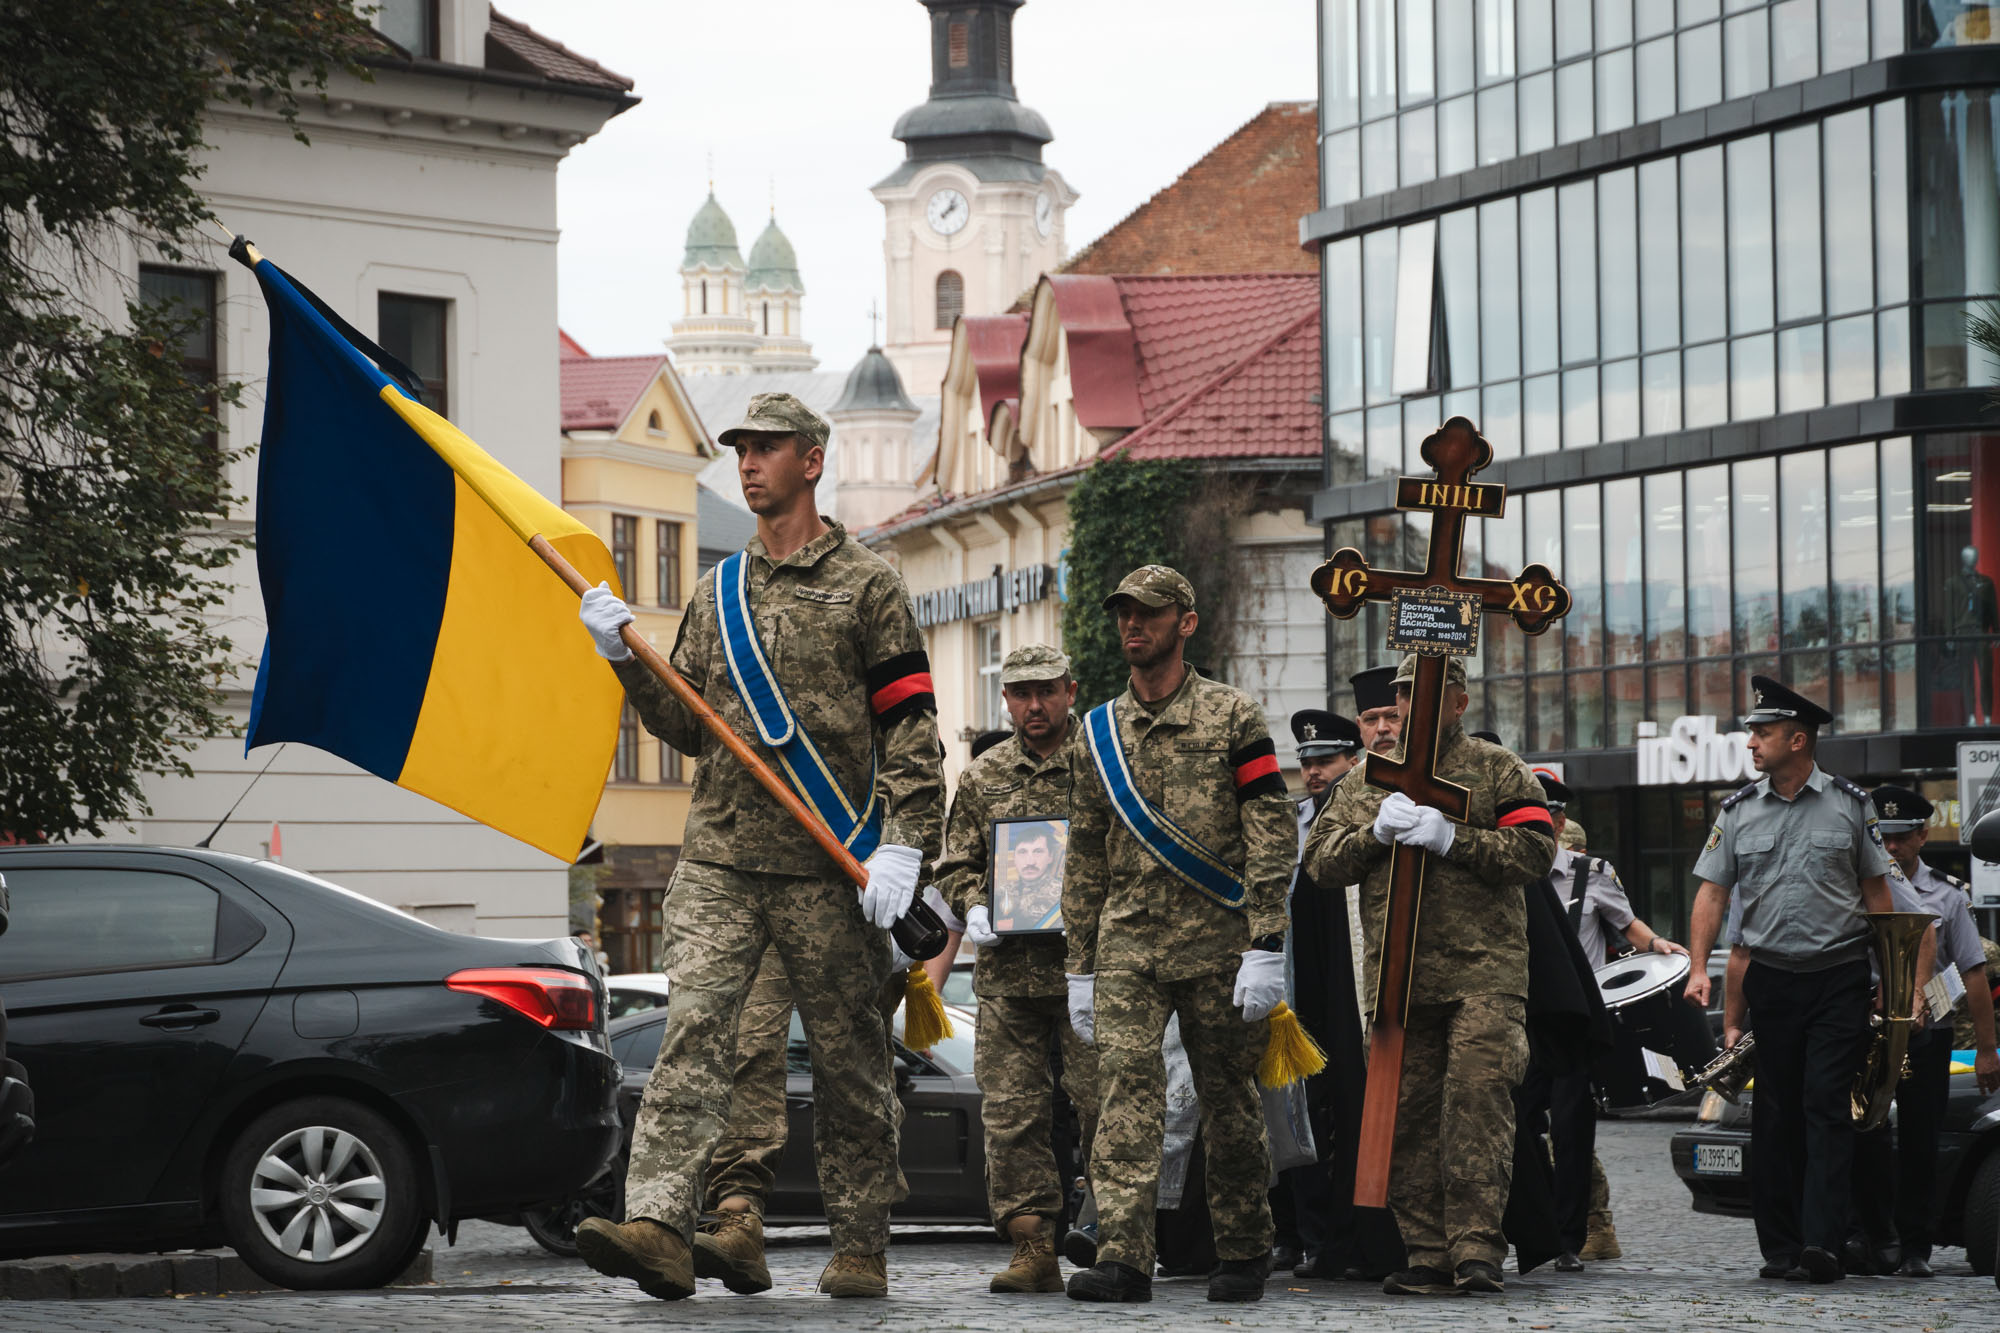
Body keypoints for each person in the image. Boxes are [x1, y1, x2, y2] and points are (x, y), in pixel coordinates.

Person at [572, 392, 945, 1301]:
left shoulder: (869, 585)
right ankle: (660, 1220)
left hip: (830, 867)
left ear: (811, 461)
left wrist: (902, 846)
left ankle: (859, 1242)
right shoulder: (719, 591)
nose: (747, 463)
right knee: (696, 1030)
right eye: (739, 448)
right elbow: (688, 726)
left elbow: (912, 731)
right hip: (723, 857)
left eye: (767, 448)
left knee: (851, 1059)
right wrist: (624, 658)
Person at [1061, 565, 1297, 1304]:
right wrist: (1079, 962)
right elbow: (1085, 849)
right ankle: (1125, 1255)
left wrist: (1266, 940)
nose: (1134, 625)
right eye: (1125, 613)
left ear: (1185, 622)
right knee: (1124, 1094)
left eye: (1150, 613)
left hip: (1219, 944)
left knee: (1229, 1101)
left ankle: (1244, 1246)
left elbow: (1270, 828)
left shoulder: (1233, 716)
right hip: (1128, 942)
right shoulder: (1097, 732)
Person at [1305, 653, 1558, 1296]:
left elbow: (1535, 849)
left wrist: (1455, 838)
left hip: (1484, 972)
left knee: (1477, 1107)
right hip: (1396, 980)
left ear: (1457, 701)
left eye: (1421, 694)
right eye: (1400, 695)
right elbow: (1319, 864)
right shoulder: (1365, 779)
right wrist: (1373, 835)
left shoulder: (1496, 767)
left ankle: (1476, 1250)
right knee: (1406, 1117)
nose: (1407, 707)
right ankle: (1425, 1252)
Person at [1683, 677, 1895, 1285]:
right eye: (1752, 731)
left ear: (1798, 740)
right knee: (1775, 1113)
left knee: (1825, 1105)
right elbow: (1712, 892)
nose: (1751, 741)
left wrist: (1888, 977)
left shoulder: (1852, 805)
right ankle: (1778, 1248)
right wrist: (1700, 969)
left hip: (1839, 976)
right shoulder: (1737, 810)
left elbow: (1877, 895)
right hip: (1772, 980)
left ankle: (1822, 1244)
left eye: (1763, 732)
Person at [933, 644, 1098, 1294]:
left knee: (1104, 1102)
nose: (1034, 705)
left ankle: (1114, 1233)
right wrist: (974, 906)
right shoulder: (983, 776)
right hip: (1007, 975)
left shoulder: (1100, 763)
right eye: (1021, 694)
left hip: (1086, 969)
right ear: (1005, 700)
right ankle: (1033, 1245)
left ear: (1070, 690)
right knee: (1011, 1112)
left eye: (1046, 691)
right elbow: (955, 865)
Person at [1527, 774, 1687, 1272]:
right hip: (1522, 1018)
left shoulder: (1590, 872)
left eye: (1544, 816)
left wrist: (1658, 945)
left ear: (1557, 821)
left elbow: (1628, 924)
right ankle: (1530, 1226)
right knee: (1517, 1123)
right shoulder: (1508, 874)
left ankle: (1570, 1238)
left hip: (1575, 1021)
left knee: (1573, 1131)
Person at [1868, 786, 2000, 1278]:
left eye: (1900, 838)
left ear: (1922, 835)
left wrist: (1986, 1052)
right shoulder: (1860, 882)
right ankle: (1867, 1236)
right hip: (1869, 1033)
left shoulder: (1946, 894)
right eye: (1882, 838)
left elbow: (1973, 975)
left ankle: (1915, 1247)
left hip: (1927, 1034)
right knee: (1864, 1136)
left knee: (1920, 1141)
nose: (1891, 848)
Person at [1270, 709, 1364, 1280]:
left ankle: (1345, 1236)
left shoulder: (1363, 813)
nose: (1312, 772)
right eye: (1305, 762)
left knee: (1345, 1111)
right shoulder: (1289, 824)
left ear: (1351, 760)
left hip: (1348, 987)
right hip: (1293, 982)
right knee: (1295, 1112)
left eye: (1325, 760)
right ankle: (1302, 1233)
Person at [1350, 665, 1401, 757]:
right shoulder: (1356, 772)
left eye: (1394, 716)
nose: (1381, 729)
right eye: (1370, 719)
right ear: (1359, 726)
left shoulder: (1434, 770)